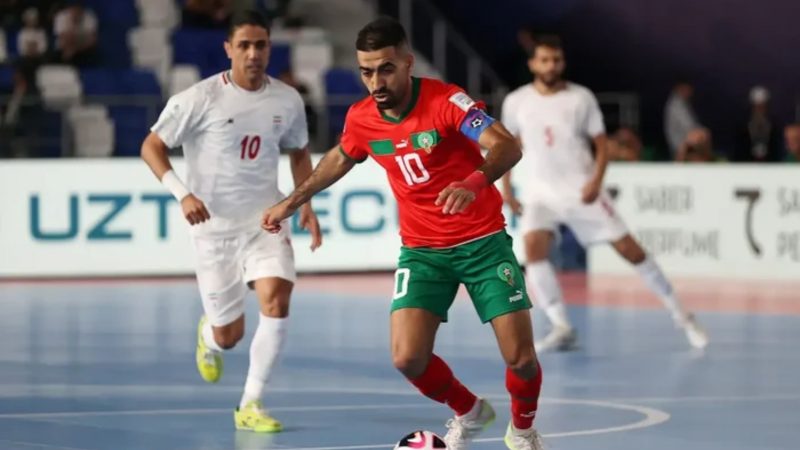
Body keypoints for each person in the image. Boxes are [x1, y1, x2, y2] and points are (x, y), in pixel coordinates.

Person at [262, 16, 545, 450]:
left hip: (483, 243)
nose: (375, 80)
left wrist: (474, 182)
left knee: (521, 359)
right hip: (422, 251)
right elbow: (340, 158)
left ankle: (523, 431)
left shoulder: (447, 102)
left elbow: (507, 145)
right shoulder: (361, 119)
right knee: (407, 357)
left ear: (408, 63)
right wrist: (291, 201)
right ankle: (470, 412)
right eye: (366, 71)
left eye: (386, 68)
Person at [140, 10, 321, 433]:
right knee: (229, 336)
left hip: (267, 219)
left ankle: (251, 403)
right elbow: (151, 146)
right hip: (214, 228)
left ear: (270, 48)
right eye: (244, 45)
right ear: (229, 49)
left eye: (261, 45)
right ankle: (209, 335)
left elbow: (297, 151)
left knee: (277, 301)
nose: (254, 53)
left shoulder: (287, 99)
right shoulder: (198, 99)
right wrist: (182, 193)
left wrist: (304, 202)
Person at [500, 35, 708, 352]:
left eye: (556, 60)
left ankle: (682, 315)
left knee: (631, 251)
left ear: (562, 62)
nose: (550, 66)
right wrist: (507, 188)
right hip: (540, 194)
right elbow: (509, 146)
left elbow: (600, 144)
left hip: (582, 190)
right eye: (544, 60)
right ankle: (560, 324)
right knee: (533, 251)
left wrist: (596, 181)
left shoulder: (580, 98)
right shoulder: (516, 101)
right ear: (533, 64)